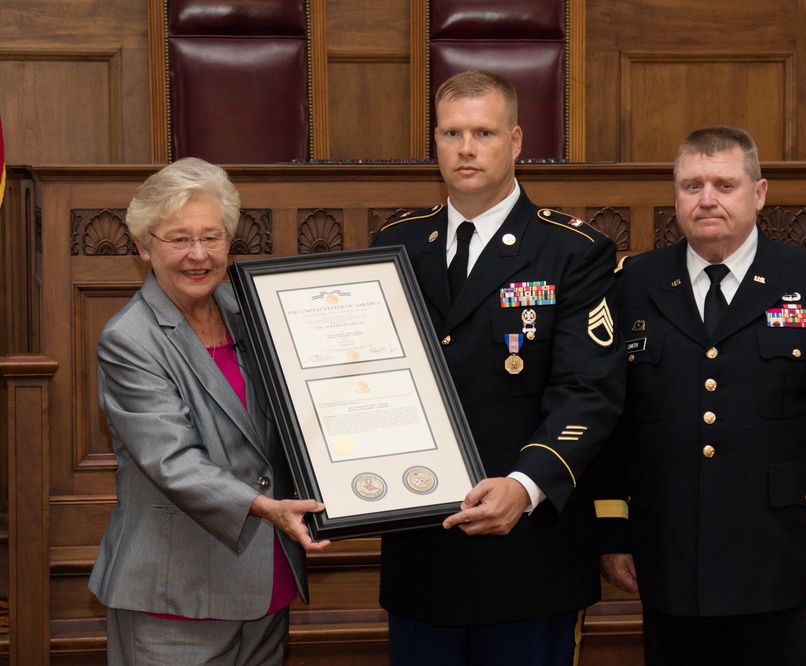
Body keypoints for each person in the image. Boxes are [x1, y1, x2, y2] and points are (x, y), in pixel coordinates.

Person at [369, 69, 625, 665]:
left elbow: (590, 391)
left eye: (482, 132)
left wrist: (525, 485)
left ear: (514, 142)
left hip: (528, 554)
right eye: (451, 133)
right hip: (421, 551)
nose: (465, 148)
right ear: (434, 142)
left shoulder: (573, 251)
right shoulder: (397, 243)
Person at [597, 126, 806, 665]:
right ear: (675, 196)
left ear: (759, 192)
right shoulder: (633, 284)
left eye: (724, 185)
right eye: (692, 185)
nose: (707, 200)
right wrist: (613, 530)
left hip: (779, 555)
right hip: (668, 553)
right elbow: (615, 422)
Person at [88, 157, 330, 665]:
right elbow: (171, 462)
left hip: (266, 582)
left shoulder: (252, 308)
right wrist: (267, 508)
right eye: (178, 238)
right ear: (143, 245)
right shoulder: (130, 339)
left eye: (212, 237)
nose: (197, 255)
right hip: (176, 597)